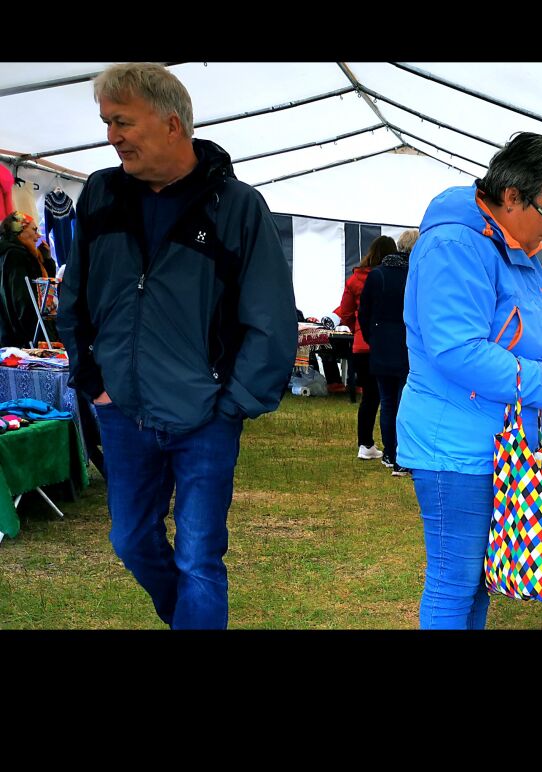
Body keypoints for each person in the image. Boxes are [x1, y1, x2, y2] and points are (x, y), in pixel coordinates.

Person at [58, 63, 296, 630]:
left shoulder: (236, 206)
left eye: (122, 122)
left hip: (205, 418)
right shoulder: (101, 194)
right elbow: (75, 298)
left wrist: (233, 402)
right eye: (106, 122)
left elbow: (270, 318)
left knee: (198, 558)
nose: (111, 135)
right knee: (131, 541)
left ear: (171, 124)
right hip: (123, 412)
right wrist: (91, 379)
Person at [396, 132, 542, 630]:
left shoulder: (508, 242)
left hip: (495, 441)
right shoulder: (454, 244)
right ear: (511, 197)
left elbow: (519, 329)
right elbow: (457, 349)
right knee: (452, 580)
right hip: (455, 444)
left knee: (476, 580)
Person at [358, 228, 418, 476]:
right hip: (407, 346)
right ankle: (402, 457)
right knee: (406, 401)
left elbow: (364, 312)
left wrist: (373, 338)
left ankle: (390, 453)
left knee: (388, 401)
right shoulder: (415, 276)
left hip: (381, 345)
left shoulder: (377, 274)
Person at [335, 234, 397, 460]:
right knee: (389, 398)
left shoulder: (354, 279)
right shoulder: (387, 278)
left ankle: (365, 444)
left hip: (361, 346)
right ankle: (391, 446)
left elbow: (346, 312)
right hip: (385, 345)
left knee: (369, 398)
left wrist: (357, 330)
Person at [0, 211, 57, 347]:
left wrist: (47, 259)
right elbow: (23, 299)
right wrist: (36, 336)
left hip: (11, 335)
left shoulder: (9, 253)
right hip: (26, 337)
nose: (38, 235)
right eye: (34, 229)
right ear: (20, 230)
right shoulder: (16, 256)